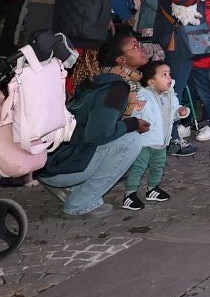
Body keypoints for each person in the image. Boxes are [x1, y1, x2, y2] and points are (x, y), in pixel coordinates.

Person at [40, 35, 154, 217]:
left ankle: (73, 187)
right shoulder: (116, 88)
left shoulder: (101, 79)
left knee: (121, 137)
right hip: (60, 168)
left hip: (51, 162)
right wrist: (132, 124)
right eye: (134, 46)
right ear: (121, 60)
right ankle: (80, 203)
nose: (141, 48)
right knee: (131, 141)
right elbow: (97, 135)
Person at [148, 0, 204, 155]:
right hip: (176, 33)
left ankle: (168, 136)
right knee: (173, 86)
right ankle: (169, 139)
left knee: (174, 85)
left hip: (175, 31)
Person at [120, 58, 185, 211]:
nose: (169, 77)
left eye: (169, 74)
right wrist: (136, 108)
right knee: (139, 167)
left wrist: (180, 112)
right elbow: (134, 115)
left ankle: (153, 188)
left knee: (158, 166)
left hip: (161, 141)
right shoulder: (143, 96)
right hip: (145, 141)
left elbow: (172, 114)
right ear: (151, 82)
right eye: (164, 75)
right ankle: (129, 195)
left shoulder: (170, 96)